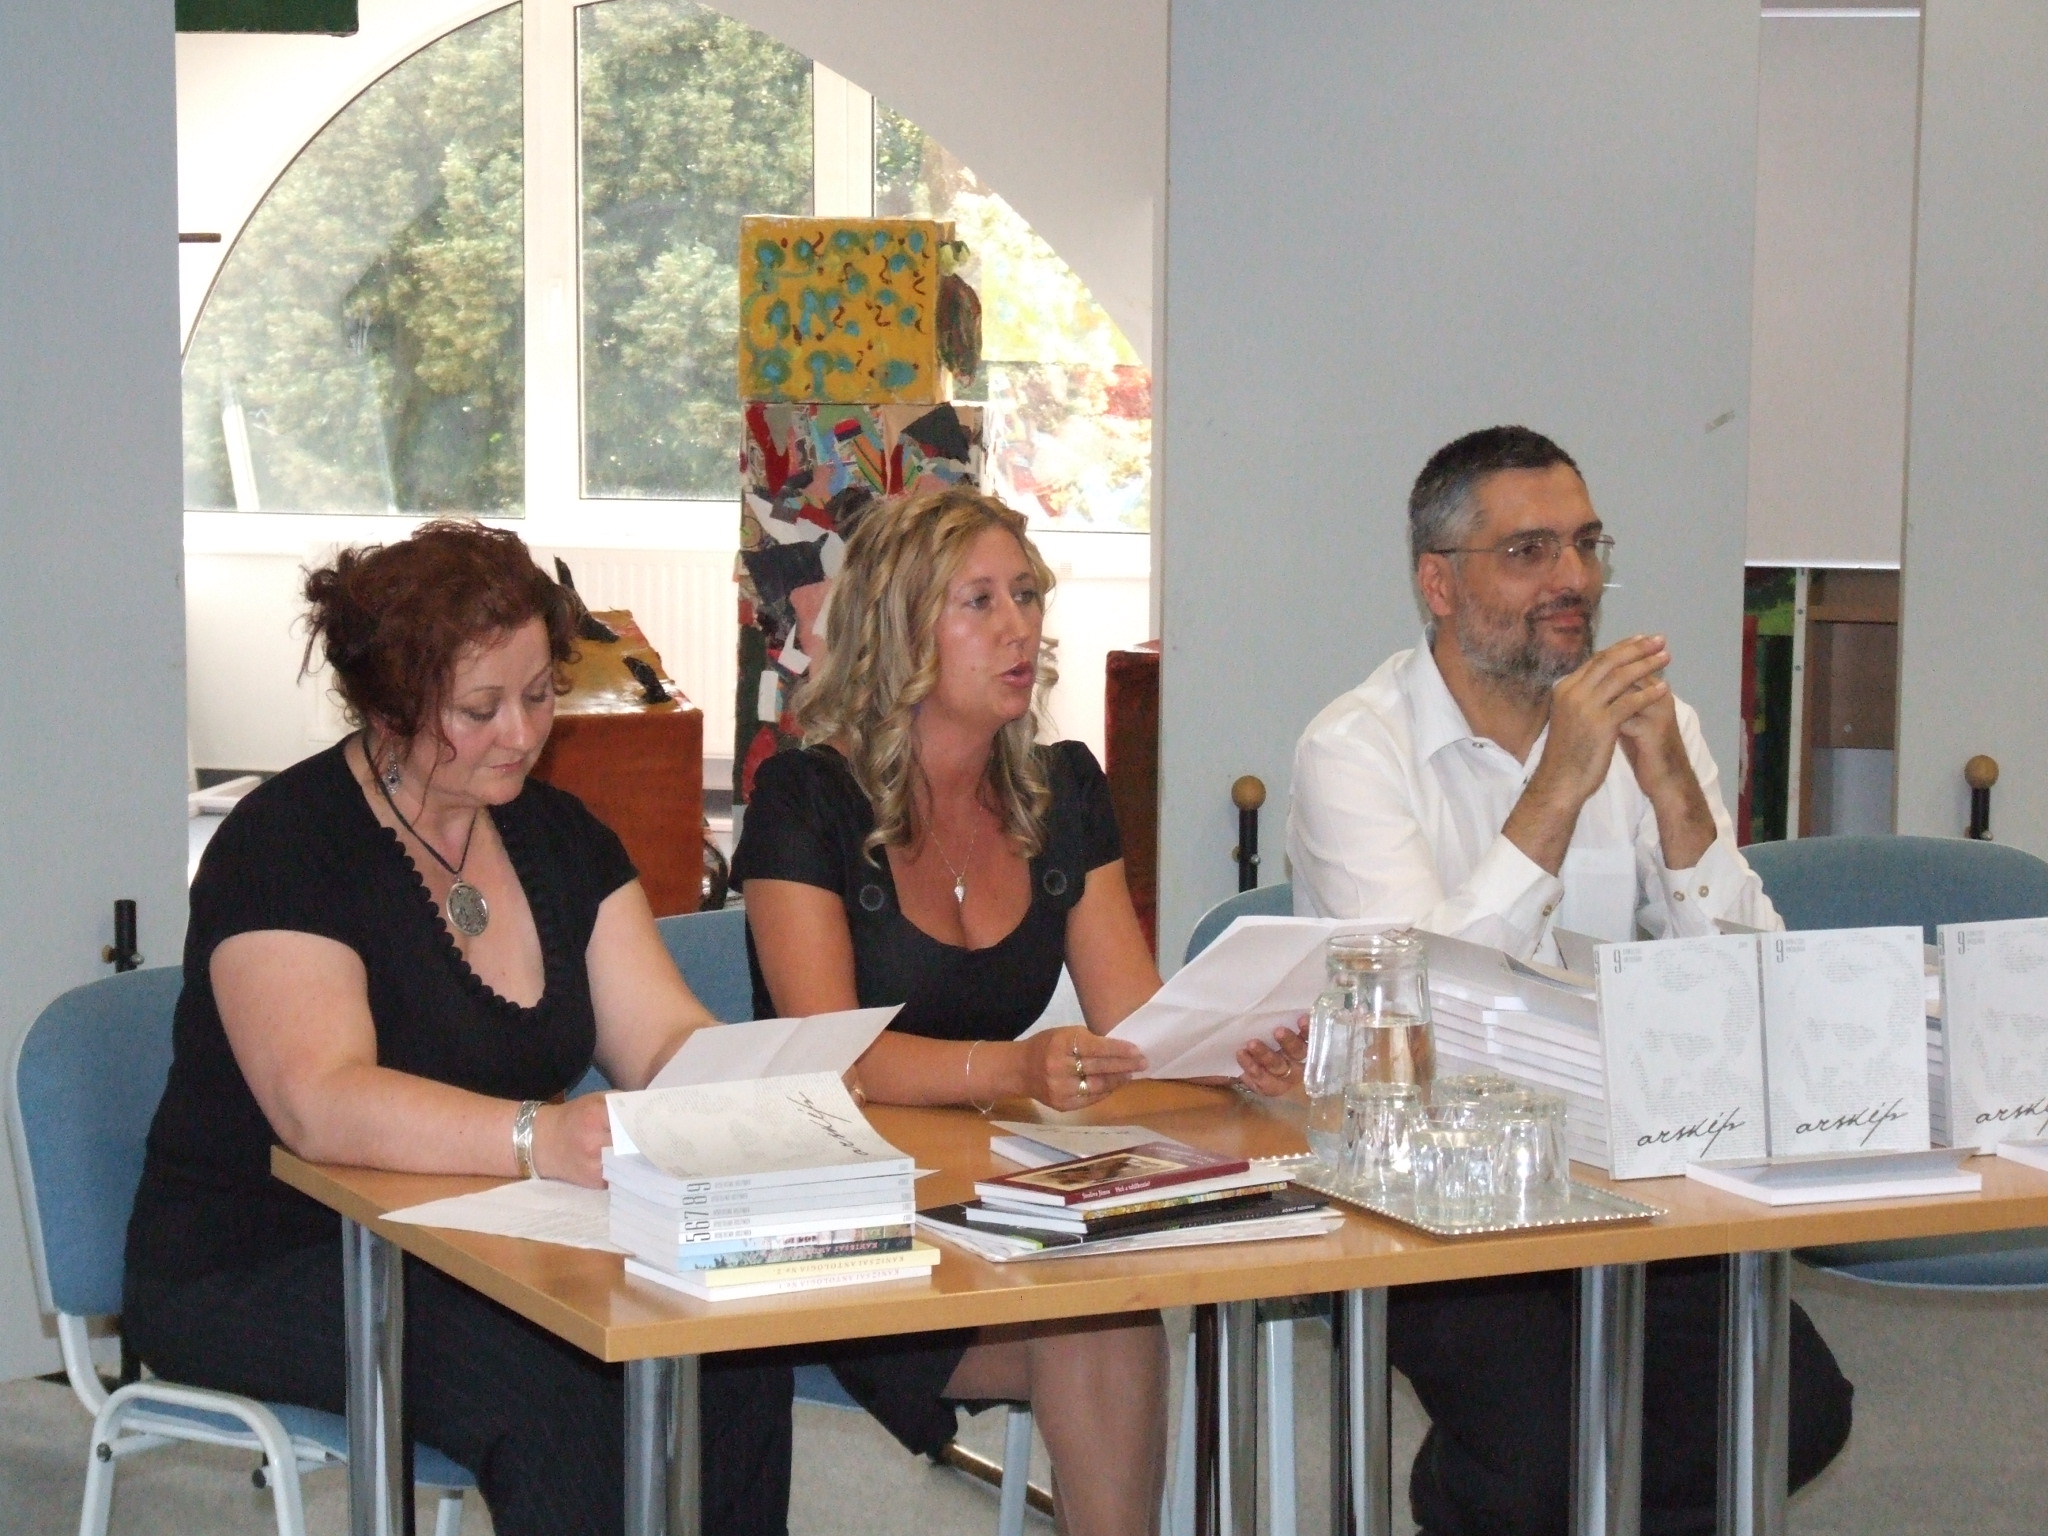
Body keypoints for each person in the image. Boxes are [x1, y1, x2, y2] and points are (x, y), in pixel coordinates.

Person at [124, 521, 793, 1536]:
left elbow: (662, 1042)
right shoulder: (286, 845)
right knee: (555, 1386)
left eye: (539, 695)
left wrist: (768, 1089)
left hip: (484, 1235)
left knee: (734, 1344)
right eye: (480, 710)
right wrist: (538, 1137)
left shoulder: (558, 837)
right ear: (389, 707)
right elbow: (321, 1101)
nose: (521, 734)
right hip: (268, 1252)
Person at [1286, 427, 1853, 1535]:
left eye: (1587, 546)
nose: (1574, 580)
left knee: (1792, 1413)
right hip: (1424, 1193)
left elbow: (1756, 994)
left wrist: (1674, 791)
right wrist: (1556, 785)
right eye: (1528, 552)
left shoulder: (1656, 727)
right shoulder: (1352, 750)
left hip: (1621, 1170)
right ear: (1438, 584)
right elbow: (1421, 1013)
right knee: (1545, 1455)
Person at [735, 485, 1208, 1536]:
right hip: (841, 1212)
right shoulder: (803, 800)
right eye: (979, 602)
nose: (1018, 628)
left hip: (989, 1192)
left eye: (1026, 596)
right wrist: (1013, 1069)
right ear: (901, 628)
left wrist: (1235, 1047)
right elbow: (832, 1061)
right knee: (1096, 1311)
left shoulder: (1061, 788)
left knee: (1104, 1304)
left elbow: (1136, 1021)